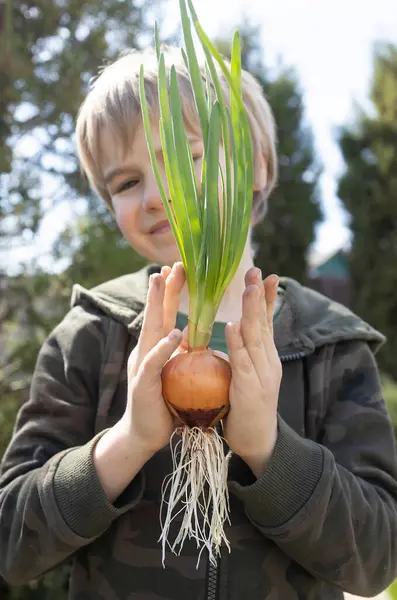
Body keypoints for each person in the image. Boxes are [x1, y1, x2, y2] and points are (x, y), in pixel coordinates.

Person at [1, 45, 397, 600]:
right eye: (125, 183)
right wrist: (127, 443)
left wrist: (268, 450)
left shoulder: (333, 346)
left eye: (187, 158)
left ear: (257, 163)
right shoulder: (90, 335)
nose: (160, 196)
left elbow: (377, 559)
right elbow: (11, 546)